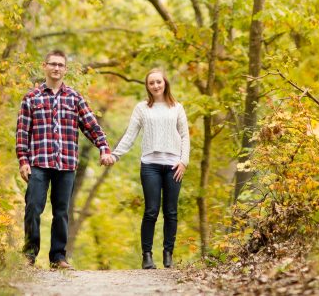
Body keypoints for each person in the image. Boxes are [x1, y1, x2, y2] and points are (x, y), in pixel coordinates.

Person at [16, 50, 114, 269]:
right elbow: (22, 132)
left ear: (65, 69)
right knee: (33, 208)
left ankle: (58, 258)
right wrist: (23, 160)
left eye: (60, 65)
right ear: (45, 66)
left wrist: (104, 148)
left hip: (66, 163)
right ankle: (29, 256)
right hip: (38, 163)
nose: (56, 68)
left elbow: (91, 126)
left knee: (61, 212)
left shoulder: (74, 98)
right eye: (53, 64)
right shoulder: (31, 98)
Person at [112, 68, 190, 269]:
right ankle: (147, 255)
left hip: (174, 166)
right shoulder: (142, 108)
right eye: (151, 83)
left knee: (171, 211)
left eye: (158, 82)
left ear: (165, 83)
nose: (156, 86)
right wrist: (115, 154)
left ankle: (168, 254)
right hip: (150, 166)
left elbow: (185, 136)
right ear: (147, 86)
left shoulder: (177, 108)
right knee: (151, 211)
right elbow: (130, 135)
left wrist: (183, 162)